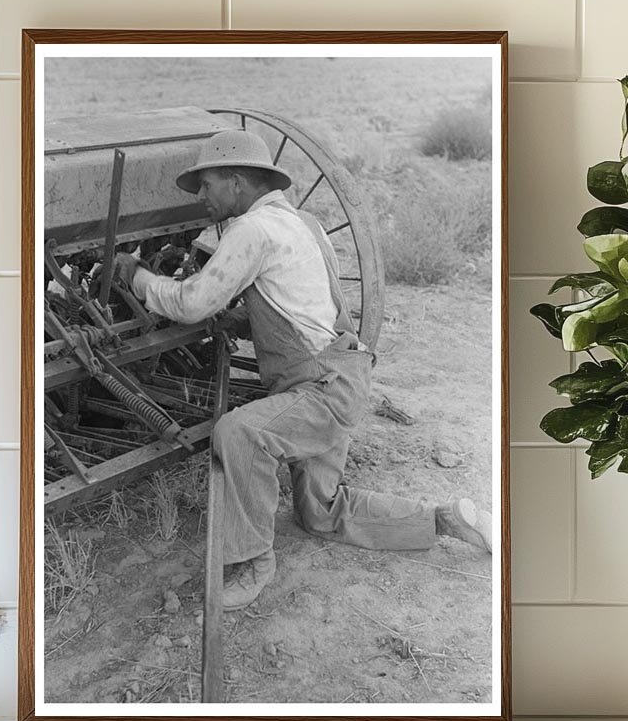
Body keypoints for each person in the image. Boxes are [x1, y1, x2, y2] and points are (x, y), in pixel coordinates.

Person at [114, 130, 491, 610]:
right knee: (320, 512)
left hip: (320, 390)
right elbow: (304, 303)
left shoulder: (252, 230)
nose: (202, 196)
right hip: (343, 375)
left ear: (236, 181)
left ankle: (254, 562)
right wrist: (242, 318)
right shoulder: (302, 223)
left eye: (207, 185)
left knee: (238, 433)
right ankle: (445, 519)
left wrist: (137, 276)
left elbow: (190, 303)